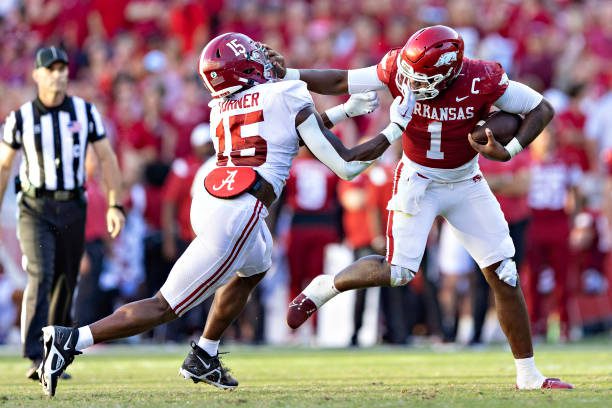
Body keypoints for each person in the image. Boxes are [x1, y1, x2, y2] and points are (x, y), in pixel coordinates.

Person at [37, 32, 414, 397]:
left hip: (214, 198)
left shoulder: (221, 106)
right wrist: (396, 126)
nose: (265, 60)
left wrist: (345, 110)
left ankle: (205, 353)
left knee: (258, 264)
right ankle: (71, 340)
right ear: (245, 67)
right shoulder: (288, 93)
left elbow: (284, 137)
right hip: (240, 211)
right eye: (255, 57)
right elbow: (346, 165)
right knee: (166, 305)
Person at [271, 25, 573, 389]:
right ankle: (326, 287)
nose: (412, 83)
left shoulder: (483, 77)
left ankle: (528, 375)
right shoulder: (398, 65)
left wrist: (509, 151)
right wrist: (287, 73)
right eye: (410, 76)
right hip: (419, 179)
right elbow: (342, 81)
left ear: (451, 71)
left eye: (424, 77)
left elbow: (542, 108)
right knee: (399, 271)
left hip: (465, 181)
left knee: (505, 274)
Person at [0, 46, 125, 381]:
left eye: (62, 68)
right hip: (35, 206)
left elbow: (107, 157)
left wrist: (115, 202)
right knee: (41, 274)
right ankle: (34, 354)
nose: (58, 74)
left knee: (66, 281)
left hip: (73, 204)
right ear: (37, 74)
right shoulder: (21, 118)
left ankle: (54, 352)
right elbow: (3, 165)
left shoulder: (85, 112)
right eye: (51, 68)